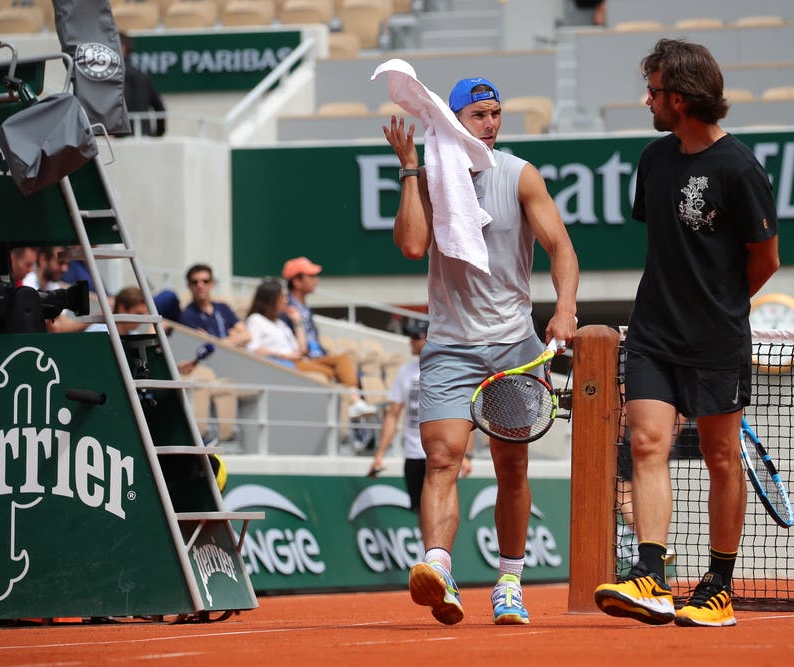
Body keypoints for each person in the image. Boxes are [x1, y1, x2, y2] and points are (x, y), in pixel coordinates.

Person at [592, 38, 780, 628]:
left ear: (679, 97)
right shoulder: (654, 159)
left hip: (715, 341)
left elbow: (765, 260)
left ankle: (718, 586)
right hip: (652, 333)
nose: (645, 99)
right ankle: (652, 574)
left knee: (722, 458)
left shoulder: (740, 168)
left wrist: (717, 310)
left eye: (652, 90)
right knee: (647, 443)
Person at [382, 75, 579, 626]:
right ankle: (439, 569)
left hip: (515, 345)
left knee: (511, 467)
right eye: (479, 115)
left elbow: (561, 247)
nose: (491, 123)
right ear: (453, 121)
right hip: (450, 348)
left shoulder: (519, 175)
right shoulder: (432, 178)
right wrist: (411, 169)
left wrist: (564, 308)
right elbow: (413, 245)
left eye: (496, 113)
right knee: (441, 459)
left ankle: (509, 582)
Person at [367, 318, 473, 514]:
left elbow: (465, 413)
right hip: (414, 453)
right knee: (420, 510)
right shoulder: (405, 372)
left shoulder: (449, 370)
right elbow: (393, 415)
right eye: (410, 336)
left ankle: (439, 546)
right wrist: (380, 454)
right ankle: (430, 546)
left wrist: (466, 455)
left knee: (442, 507)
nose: (410, 341)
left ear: (429, 338)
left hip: (443, 450)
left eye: (416, 337)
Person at [245, 279, 375, 419]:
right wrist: (284, 356)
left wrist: (298, 322)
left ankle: (356, 402)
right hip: (285, 365)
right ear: (271, 299)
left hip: (300, 360)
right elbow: (253, 349)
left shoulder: (281, 323)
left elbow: (302, 349)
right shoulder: (255, 320)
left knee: (343, 359)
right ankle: (353, 404)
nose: (286, 300)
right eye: (282, 297)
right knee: (331, 373)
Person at [280, 256, 372, 399]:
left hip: (317, 356)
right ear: (297, 282)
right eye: (311, 276)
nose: (316, 281)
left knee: (358, 373)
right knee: (339, 369)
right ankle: (355, 404)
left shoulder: (306, 309)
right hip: (302, 360)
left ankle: (357, 407)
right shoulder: (284, 310)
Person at [179, 263, 251, 348]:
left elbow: (247, 335)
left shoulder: (223, 307)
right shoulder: (187, 315)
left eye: (205, 281)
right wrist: (233, 338)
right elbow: (204, 344)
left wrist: (218, 342)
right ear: (189, 285)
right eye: (195, 282)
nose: (200, 286)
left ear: (212, 283)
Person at [23, 245, 88, 332]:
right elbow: (56, 327)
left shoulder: (54, 286)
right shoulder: (27, 284)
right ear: (43, 259)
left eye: (68, 264)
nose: (65, 269)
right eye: (60, 263)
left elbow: (61, 322)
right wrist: (101, 317)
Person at [120, 32, 166, 137]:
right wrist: (157, 134)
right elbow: (160, 108)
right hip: (145, 138)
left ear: (123, 48)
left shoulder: (111, 78)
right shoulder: (143, 76)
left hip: (118, 141)